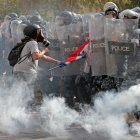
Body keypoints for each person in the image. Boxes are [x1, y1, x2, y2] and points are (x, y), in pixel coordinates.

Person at [13, 24, 66, 110]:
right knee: (37, 95)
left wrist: (58, 62)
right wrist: (44, 50)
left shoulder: (26, 43)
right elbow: (36, 57)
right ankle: (35, 114)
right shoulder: (32, 43)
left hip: (17, 71)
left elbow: (43, 57)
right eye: (39, 31)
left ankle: (23, 111)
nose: (41, 34)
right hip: (27, 72)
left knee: (25, 92)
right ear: (34, 33)